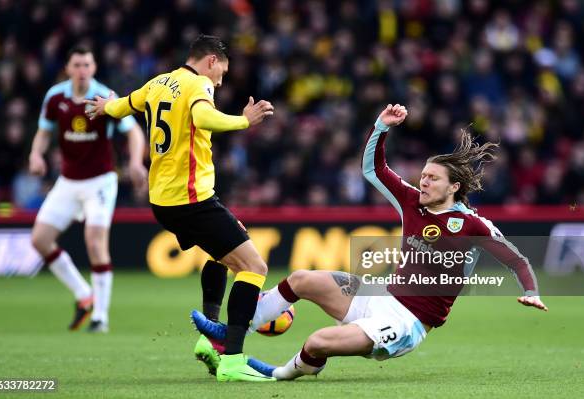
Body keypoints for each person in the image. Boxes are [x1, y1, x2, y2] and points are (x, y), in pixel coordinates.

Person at [191, 103, 548, 380]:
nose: (423, 182)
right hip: (380, 296)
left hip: (408, 323)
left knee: (317, 342)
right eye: (423, 175)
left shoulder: (472, 225)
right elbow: (373, 170)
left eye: (432, 179)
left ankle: (282, 373)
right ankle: (230, 335)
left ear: (453, 187)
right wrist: (381, 128)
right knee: (300, 279)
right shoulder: (411, 201)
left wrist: (530, 290)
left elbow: (515, 259)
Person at [84, 34, 275, 382]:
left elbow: (124, 104)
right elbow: (203, 117)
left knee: (225, 253)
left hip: (163, 200)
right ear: (212, 61)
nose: (220, 80)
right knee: (254, 266)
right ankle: (232, 359)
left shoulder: (159, 83)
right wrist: (244, 120)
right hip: (192, 200)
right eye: (222, 72)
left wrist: (103, 107)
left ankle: (210, 340)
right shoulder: (198, 83)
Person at [29, 47, 147, 333]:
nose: (82, 69)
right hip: (68, 181)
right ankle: (84, 295)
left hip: (100, 181)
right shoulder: (56, 97)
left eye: (87, 64)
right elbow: (44, 131)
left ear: (93, 68)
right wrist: (35, 154)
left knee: (95, 243)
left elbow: (132, 131)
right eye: (77, 64)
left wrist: (134, 161)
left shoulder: (105, 97)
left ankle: (100, 318)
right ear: (68, 68)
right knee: (40, 240)